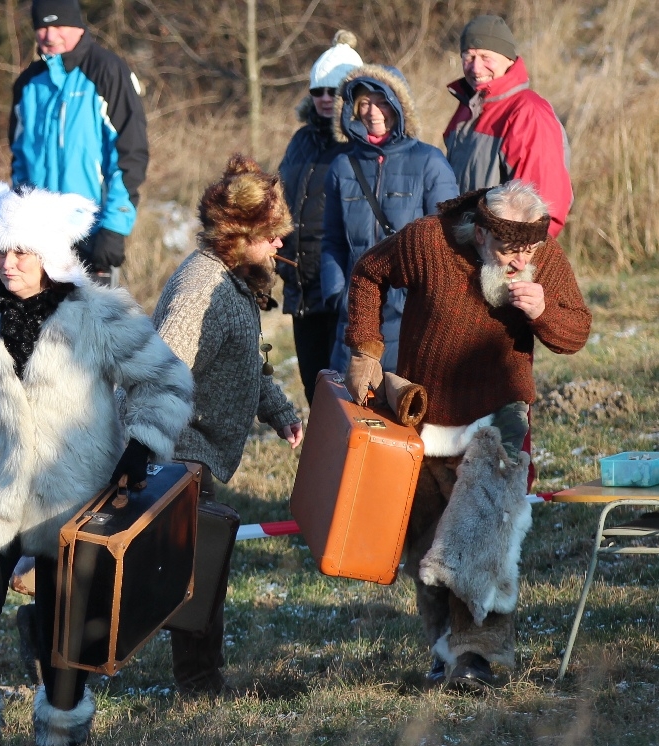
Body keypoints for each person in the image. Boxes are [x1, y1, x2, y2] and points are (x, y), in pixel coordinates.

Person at [0, 183, 192, 746]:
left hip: (72, 490)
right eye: (1, 250)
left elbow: (165, 378)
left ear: (48, 255)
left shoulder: (98, 311)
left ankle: (62, 724)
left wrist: (141, 445)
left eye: (22, 251)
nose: (9, 262)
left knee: (60, 621)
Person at [343, 181, 591, 689]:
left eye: (529, 250)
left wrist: (542, 311)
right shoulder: (427, 242)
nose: (520, 261)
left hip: (499, 419)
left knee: (484, 542)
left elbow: (576, 333)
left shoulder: (544, 260)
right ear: (479, 234)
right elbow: (369, 271)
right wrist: (366, 348)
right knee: (430, 543)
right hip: (426, 416)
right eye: (509, 250)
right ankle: (443, 650)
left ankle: (478, 658)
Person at [152, 154, 304, 695]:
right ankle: (199, 683)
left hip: (193, 454)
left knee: (198, 571)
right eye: (271, 236)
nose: (280, 245)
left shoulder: (234, 283)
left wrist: (280, 411)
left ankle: (200, 677)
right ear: (240, 236)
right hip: (176, 454)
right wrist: (150, 459)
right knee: (194, 575)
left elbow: (246, 363)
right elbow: (159, 371)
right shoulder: (202, 291)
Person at [321, 64, 459, 374]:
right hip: (355, 319)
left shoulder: (429, 162)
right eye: (365, 103)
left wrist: (431, 299)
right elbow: (331, 240)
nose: (373, 111)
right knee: (357, 413)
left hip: (413, 317)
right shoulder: (342, 166)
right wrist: (336, 295)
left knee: (407, 413)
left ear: (398, 104)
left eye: (381, 101)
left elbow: (449, 239)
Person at [10, 0, 148, 286]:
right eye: (42, 27)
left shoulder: (107, 71)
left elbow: (129, 156)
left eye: (58, 25)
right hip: (39, 237)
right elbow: (19, 160)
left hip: (92, 233)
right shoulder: (27, 84)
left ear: (77, 26)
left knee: (89, 328)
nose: (50, 35)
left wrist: (114, 228)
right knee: (40, 327)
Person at [276, 30, 364, 405]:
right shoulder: (300, 141)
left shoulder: (360, 144)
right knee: (316, 391)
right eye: (318, 91)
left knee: (347, 395)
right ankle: (325, 462)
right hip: (300, 284)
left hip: (342, 285)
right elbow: (278, 200)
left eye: (334, 90)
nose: (326, 99)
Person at [444, 15, 572, 237]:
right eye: (468, 56)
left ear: (509, 60)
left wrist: (513, 257)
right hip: (469, 250)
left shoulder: (527, 113)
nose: (475, 67)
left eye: (486, 57)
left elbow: (544, 206)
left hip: (504, 255)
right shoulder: (467, 109)